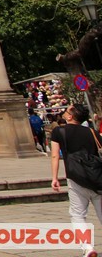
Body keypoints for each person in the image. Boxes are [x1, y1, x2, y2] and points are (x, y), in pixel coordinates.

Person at [49, 103, 101, 257]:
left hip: (76, 178)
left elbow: (54, 155)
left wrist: (54, 178)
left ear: (71, 116)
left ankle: (87, 247)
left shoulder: (59, 131)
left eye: (66, 111)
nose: (64, 113)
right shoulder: (92, 131)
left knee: (78, 215)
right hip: (97, 179)